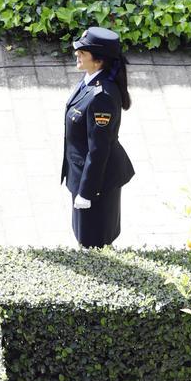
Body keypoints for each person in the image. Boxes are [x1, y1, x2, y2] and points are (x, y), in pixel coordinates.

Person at [63, 25, 135, 248]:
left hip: (96, 182)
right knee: (85, 235)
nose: (77, 54)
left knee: (94, 241)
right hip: (82, 173)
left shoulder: (101, 96)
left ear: (99, 60)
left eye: (83, 53)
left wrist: (86, 192)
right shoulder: (90, 81)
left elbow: (99, 149)